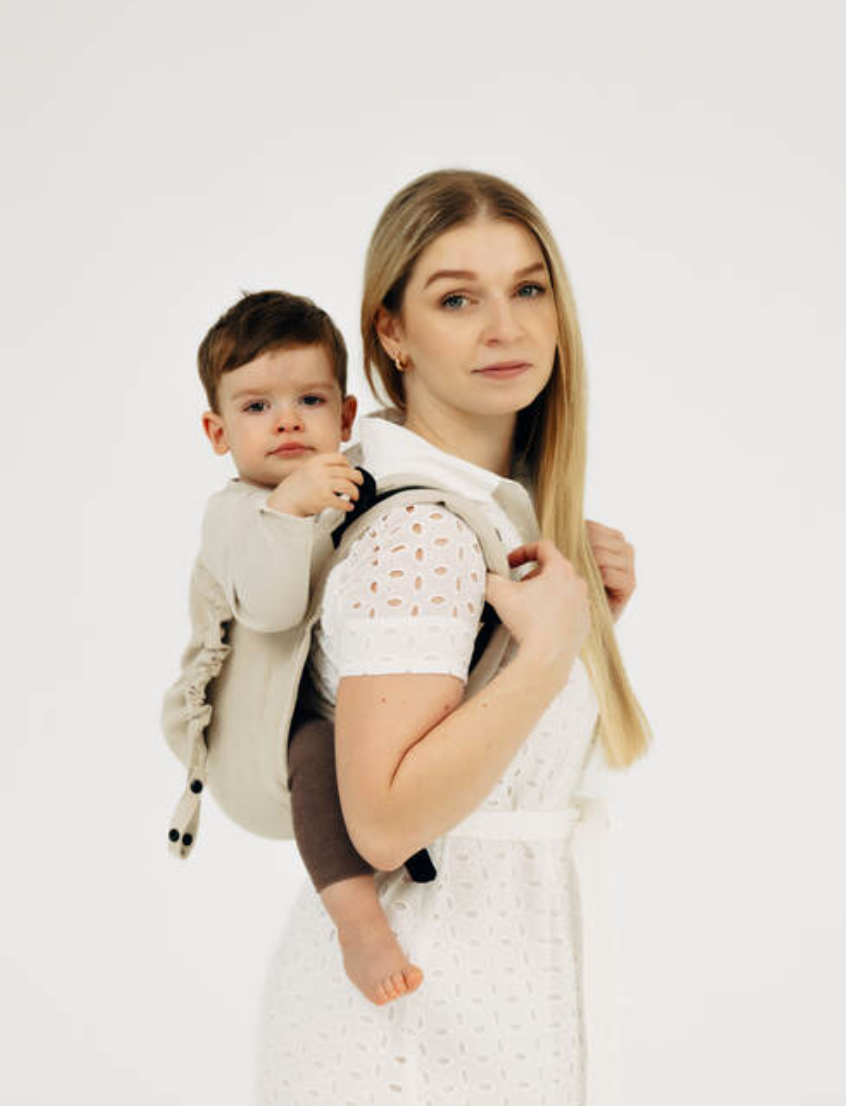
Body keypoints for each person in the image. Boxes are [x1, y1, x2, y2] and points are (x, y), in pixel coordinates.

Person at [251, 169, 651, 1106]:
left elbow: (477, 756)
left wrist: (568, 640)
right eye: (457, 299)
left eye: (528, 289)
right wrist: (545, 657)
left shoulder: (492, 517)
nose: (504, 328)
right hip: (418, 1040)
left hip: (477, 1017)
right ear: (392, 333)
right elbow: (385, 821)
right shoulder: (424, 532)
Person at [193, 288, 433, 1006]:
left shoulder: (342, 472)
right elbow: (272, 611)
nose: (288, 420)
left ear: (346, 417)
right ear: (217, 432)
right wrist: (290, 507)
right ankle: (357, 923)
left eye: (311, 400)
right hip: (257, 736)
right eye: (257, 406)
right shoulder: (234, 514)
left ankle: (409, 838)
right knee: (319, 747)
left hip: (332, 699)